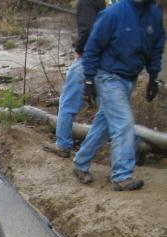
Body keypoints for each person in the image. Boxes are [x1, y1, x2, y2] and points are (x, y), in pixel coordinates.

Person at [71, 0, 164, 191]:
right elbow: (92, 46)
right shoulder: (114, 13)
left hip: (130, 77)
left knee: (104, 125)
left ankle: (80, 162)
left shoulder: (154, 15)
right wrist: (89, 80)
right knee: (123, 123)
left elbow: (157, 46)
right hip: (108, 76)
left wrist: (153, 77)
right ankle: (122, 175)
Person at [43, 0, 106, 158]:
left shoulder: (86, 2)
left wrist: (78, 50)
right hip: (108, 61)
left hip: (87, 59)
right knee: (108, 111)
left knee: (67, 103)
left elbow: (87, 29)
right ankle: (92, 150)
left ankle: (63, 145)